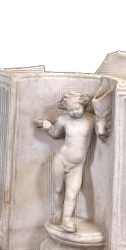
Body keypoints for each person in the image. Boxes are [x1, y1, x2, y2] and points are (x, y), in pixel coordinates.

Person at [34, 91, 94, 233]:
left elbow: (102, 130)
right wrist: (47, 127)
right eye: (70, 110)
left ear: (83, 105)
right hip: (61, 159)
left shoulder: (91, 119)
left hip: (77, 165)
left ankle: (67, 219)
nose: (74, 113)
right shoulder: (63, 120)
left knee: (71, 194)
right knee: (58, 189)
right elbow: (55, 134)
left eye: (77, 109)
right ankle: (58, 211)